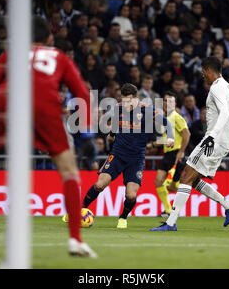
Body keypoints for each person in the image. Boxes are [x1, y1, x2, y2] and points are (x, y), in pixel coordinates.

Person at [0, 16, 97, 258]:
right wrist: (87, 130)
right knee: (69, 172)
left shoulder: (11, 54)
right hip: (44, 107)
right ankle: (75, 240)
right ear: (49, 38)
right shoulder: (59, 56)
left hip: (7, 104)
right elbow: (82, 94)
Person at [150, 56, 229, 231]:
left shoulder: (216, 88)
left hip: (213, 141)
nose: (202, 76)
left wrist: (212, 135)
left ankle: (170, 222)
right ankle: (228, 205)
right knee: (193, 178)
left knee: (185, 176)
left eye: (203, 72)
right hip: (221, 140)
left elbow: (224, 115)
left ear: (207, 70)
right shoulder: (228, 88)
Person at [71, 83, 174, 229]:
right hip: (118, 155)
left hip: (136, 159)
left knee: (131, 195)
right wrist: (112, 134)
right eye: (123, 101)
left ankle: (123, 218)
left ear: (136, 99)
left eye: (129, 101)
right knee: (99, 185)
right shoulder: (117, 108)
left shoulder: (147, 111)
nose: (125, 104)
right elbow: (114, 126)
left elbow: (167, 123)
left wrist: (170, 138)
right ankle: (77, 212)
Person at [151, 91, 190, 218]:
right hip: (167, 154)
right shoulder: (165, 119)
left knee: (172, 187)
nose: (167, 103)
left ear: (175, 104)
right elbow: (166, 139)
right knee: (158, 181)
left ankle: (187, 186)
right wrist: (152, 145)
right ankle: (168, 211)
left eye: (171, 101)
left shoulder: (177, 117)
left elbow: (186, 134)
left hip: (176, 154)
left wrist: (181, 152)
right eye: (165, 101)